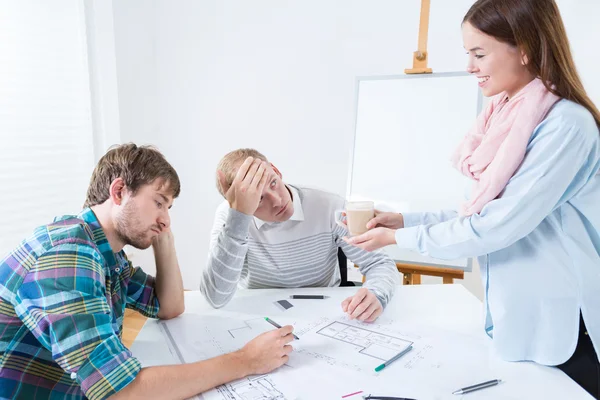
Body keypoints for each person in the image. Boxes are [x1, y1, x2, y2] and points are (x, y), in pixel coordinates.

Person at [344, 0, 600, 397]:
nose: (469, 67)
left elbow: (497, 226)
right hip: (523, 320)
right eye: (468, 54)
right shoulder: (506, 118)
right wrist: (405, 222)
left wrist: (397, 241)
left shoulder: (565, 125)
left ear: (527, 48)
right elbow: (483, 212)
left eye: (479, 54)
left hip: (565, 325)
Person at [0, 143, 294, 400]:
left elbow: (169, 306)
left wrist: (163, 237)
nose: (165, 218)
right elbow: (119, 392)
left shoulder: (107, 253)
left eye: (168, 208)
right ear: (118, 192)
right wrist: (245, 361)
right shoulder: (69, 253)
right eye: (158, 203)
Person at [200, 148, 401, 322]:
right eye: (258, 198)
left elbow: (379, 263)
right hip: (259, 316)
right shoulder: (231, 217)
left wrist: (377, 293)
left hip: (327, 313)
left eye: (272, 183)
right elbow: (215, 297)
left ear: (277, 171)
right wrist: (239, 217)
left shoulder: (329, 205)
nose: (278, 200)